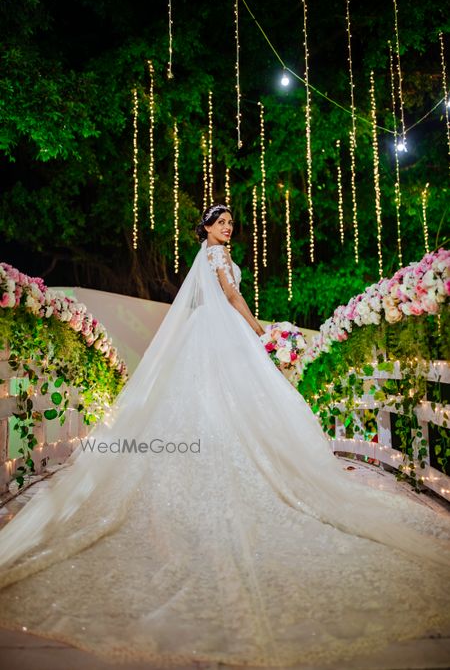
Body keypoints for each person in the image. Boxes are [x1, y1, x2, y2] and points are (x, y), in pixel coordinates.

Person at [0, 202, 449, 668]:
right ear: (207, 229)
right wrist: (257, 327)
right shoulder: (215, 259)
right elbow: (232, 298)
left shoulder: (210, 256)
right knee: (226, 396)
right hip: (226, 331)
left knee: (218, 397)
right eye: (222, 223)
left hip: (210, 332)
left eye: (232, 223)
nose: (229, 228)